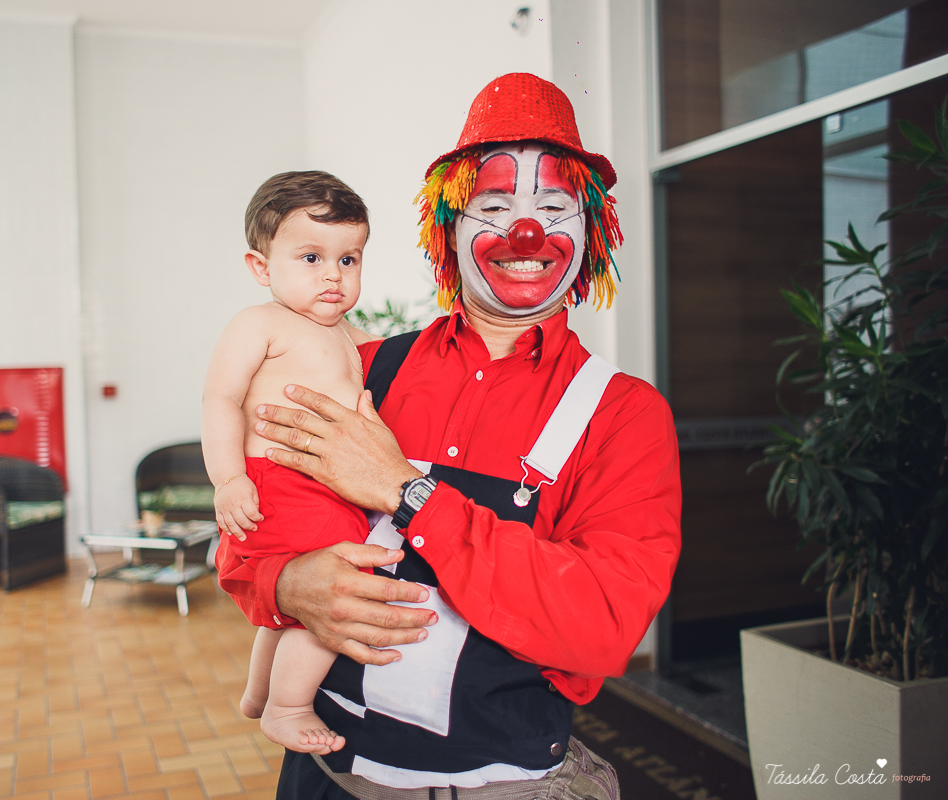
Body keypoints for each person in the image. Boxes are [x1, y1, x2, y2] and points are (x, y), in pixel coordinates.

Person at [217, 73, 682, 800]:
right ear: (448, 228)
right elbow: (244, 537)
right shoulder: (364, 369)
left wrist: (407, 492)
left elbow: (603, 625)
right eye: (494, 206)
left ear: (590, 231)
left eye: (553, 207)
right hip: (328, 775)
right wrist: (287, 585)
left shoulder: (625, 415)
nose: (524, 233)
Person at [201, 171, 380, 756]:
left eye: (348, 259)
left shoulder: (347, 334)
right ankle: (289, 705)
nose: (333, 274)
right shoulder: (261, 323)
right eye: (311, 256)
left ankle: (259, 691)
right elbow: (221, 398)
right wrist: (228, 478)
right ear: (261, 268)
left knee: (292, 608)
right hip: (282, 481)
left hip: (330, 486)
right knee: (340, 593)